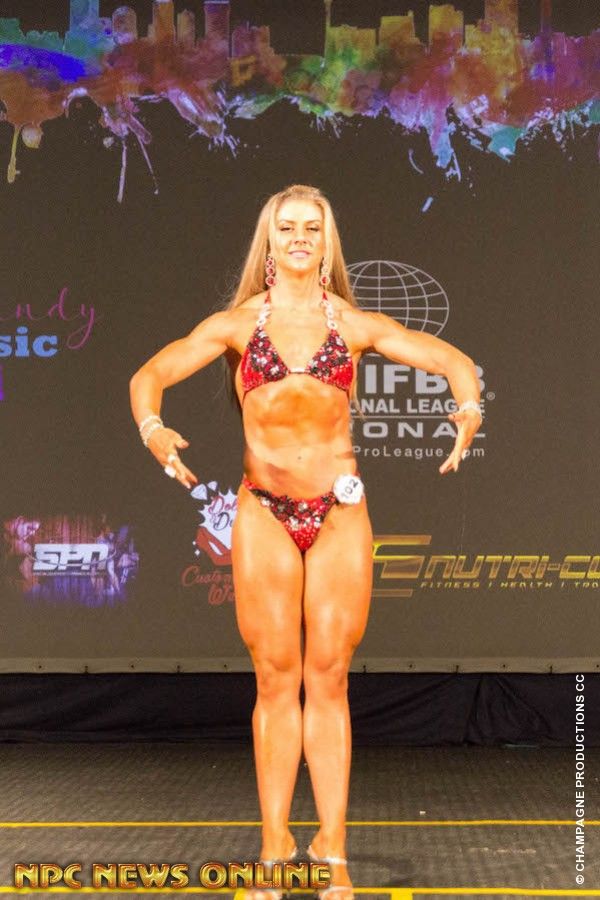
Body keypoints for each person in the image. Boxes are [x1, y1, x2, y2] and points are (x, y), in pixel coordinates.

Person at [129, 184, 482, 899]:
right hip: (263, 511)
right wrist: (153, 427)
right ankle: (273, 846)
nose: (299, 238)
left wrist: (469, 405)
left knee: (329, 677)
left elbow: (448, 358)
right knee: (274, 678)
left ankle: (332, 848)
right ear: (270, 241)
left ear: (326, 242)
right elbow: (151, 375)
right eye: (287, 227)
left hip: (338, 514)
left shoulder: (351, 324)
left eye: (311, 229)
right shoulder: (236, 326)